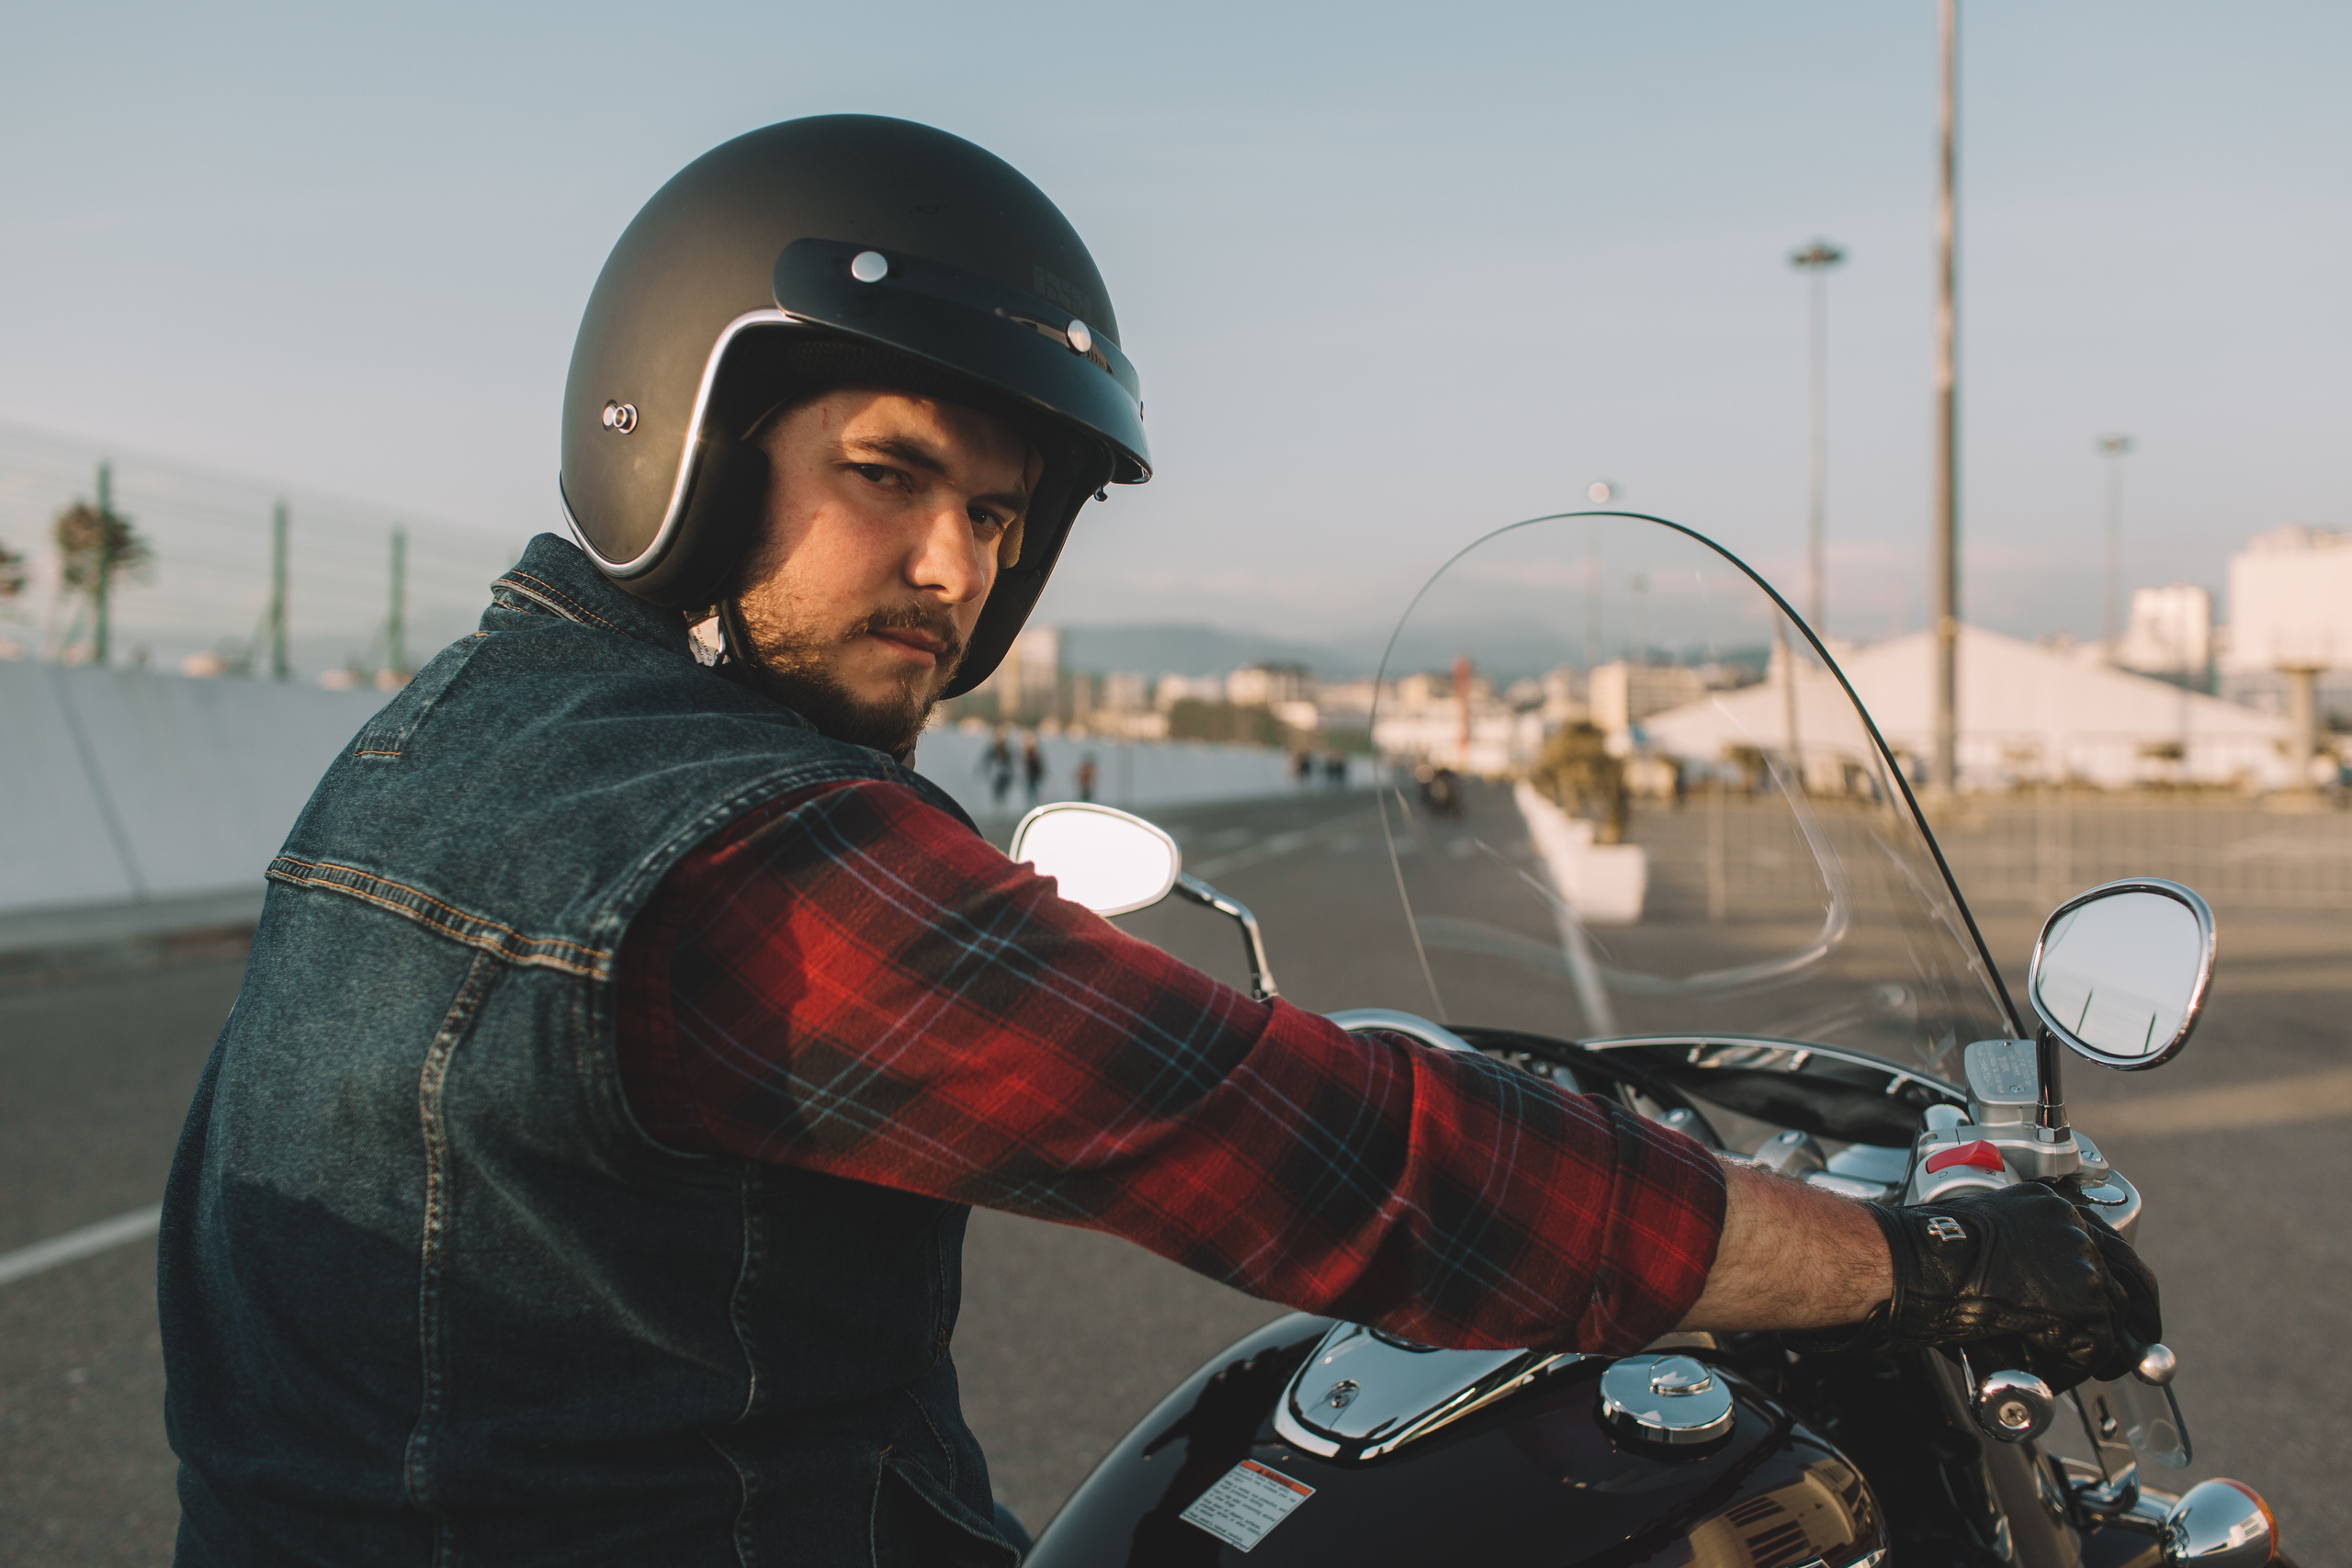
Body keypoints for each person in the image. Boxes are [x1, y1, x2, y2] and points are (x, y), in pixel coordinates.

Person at [159, 115, 2157, 1567]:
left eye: (1006, 516)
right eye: (886, 471)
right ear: (679, 436)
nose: (956, 562)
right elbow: (1317, 1158)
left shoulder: (442, 743)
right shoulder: (743, 861)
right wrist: (1902, 1254)